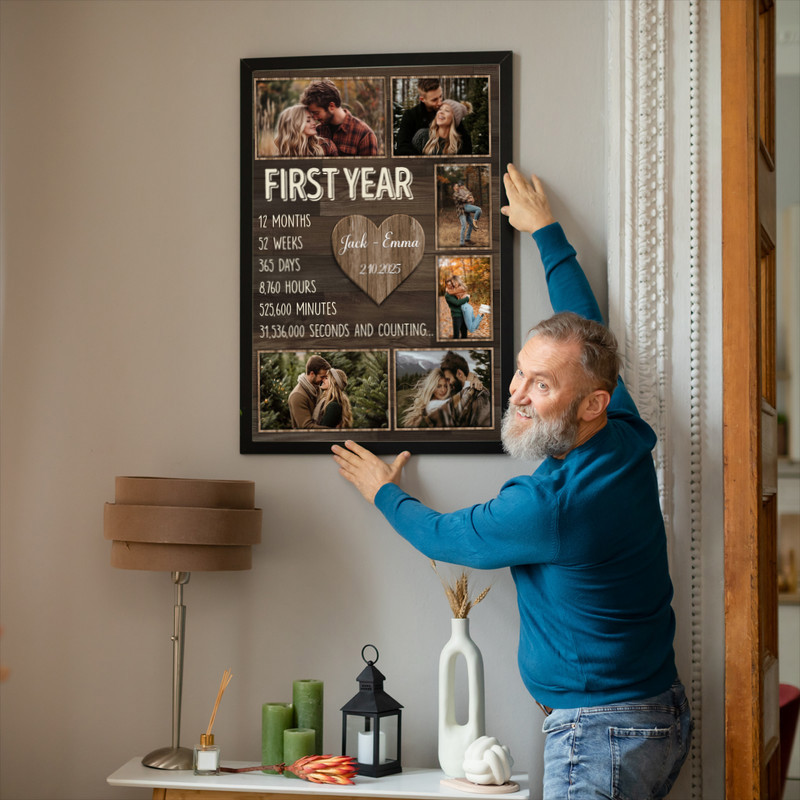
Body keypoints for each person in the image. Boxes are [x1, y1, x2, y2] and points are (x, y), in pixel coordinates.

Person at [331, 164, 692, 800]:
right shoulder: (625, 437)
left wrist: (382, 490)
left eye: (540, 386)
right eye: (521, 373)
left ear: (590, 405)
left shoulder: (550, 506)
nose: (516, 395)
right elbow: (584, 329)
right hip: (651, 717)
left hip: (602, 738)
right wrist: (547, 232)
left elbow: (448, 537)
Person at [300, 79, 378, 156]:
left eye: (316, 113)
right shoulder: (316, 132)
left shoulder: (364, 135)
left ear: (331, 106)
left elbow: (370, 167)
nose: (314, 118)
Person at [394, 79, 472, 156]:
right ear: (422, 99)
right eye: (434, 100)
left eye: (440, 96)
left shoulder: (449, 110)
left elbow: (465, 141)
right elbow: (403, 147)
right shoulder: (411, 115)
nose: (440, 102)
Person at [288, 355, 330, 429]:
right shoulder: (297, 396)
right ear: (312, 374)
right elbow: (306, 427)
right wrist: (333, 430)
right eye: (322, 377)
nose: (324, 380)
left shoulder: (317, 389)